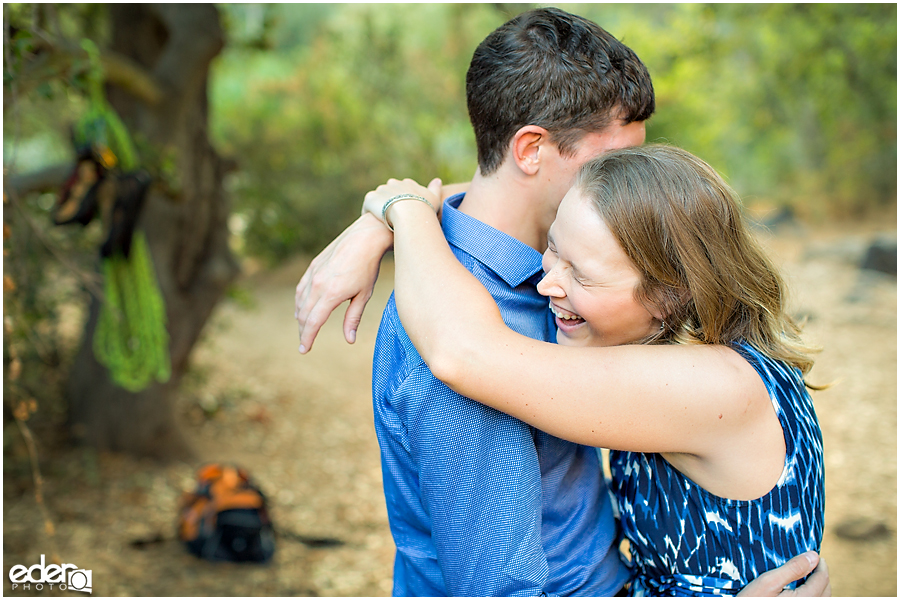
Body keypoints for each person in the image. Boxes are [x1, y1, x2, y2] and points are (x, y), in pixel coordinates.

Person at [295, 7, 830, 597]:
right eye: (608, 168)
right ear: (530, 149)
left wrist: (398, 210)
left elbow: (474, 339)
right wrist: (396, 215)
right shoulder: (459, 309)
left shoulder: (621, 315)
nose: (620, 193)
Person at [358, 144, 826, 595]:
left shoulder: (710, 386)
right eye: (553, 247)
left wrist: (406, 211)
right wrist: (371, 227)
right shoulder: (718, 347)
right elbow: (505, 190)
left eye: (579, 274)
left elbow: (463, 354)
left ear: (670, 294)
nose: (546, 283)